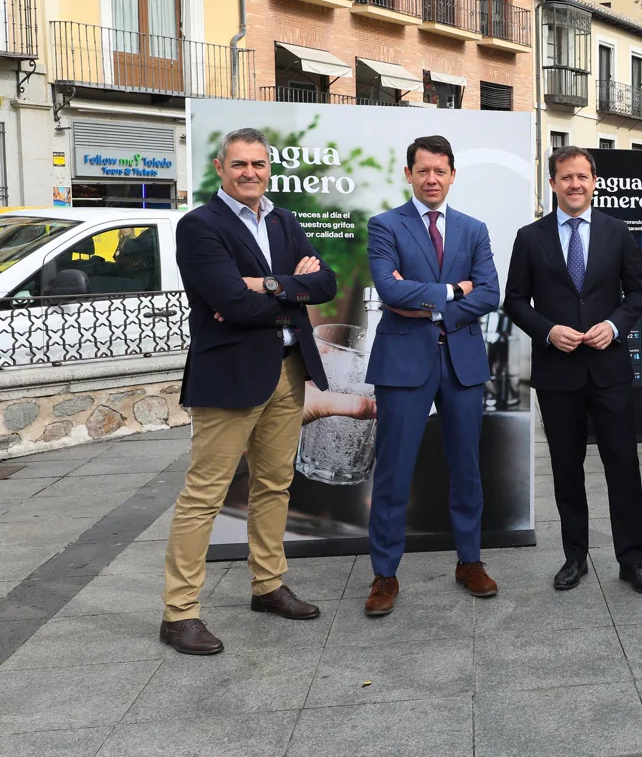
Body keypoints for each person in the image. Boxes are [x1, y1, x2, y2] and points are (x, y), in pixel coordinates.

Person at [161, 127, 337, 656]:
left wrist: (267, 284)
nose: (250, 173)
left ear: (268, 168)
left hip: (288, 369)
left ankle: (268, 585)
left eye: (259, 164)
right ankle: (179, 612)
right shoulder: (200, 226)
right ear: (220, 167)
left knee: (275, 484)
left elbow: (324, 285)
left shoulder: (283, 219)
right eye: (240, 164)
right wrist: (291, 289)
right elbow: (228, 304)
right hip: (230, 376)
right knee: (204, 496)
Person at [504, 145, 642, 594]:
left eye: (582, 177)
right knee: (566, 468)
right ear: (552, 184)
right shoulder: (529, 237)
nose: (575, 184)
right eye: (566, 177)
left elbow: (638, 293)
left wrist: (614, 325)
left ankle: (633, 561)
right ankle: (575, 557)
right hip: (558, 374)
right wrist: (548, 331)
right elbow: (514, 301)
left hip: (609, 370)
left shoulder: (617, 232)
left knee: (623, 468)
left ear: (594, 184)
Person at [363, 135, 501, 616]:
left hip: (461, 362)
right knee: (394, 473)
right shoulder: (384, 226)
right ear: (408, 174)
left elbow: (489, 293)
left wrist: (434, 306)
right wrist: (451, 289)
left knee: (467, 468)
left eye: (440, 170)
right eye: (423, 170)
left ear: (453, 175)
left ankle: (470, 562)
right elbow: (388, 290)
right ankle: (384, 574)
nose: (432, 179)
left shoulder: (473, 229)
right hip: (402, 365)